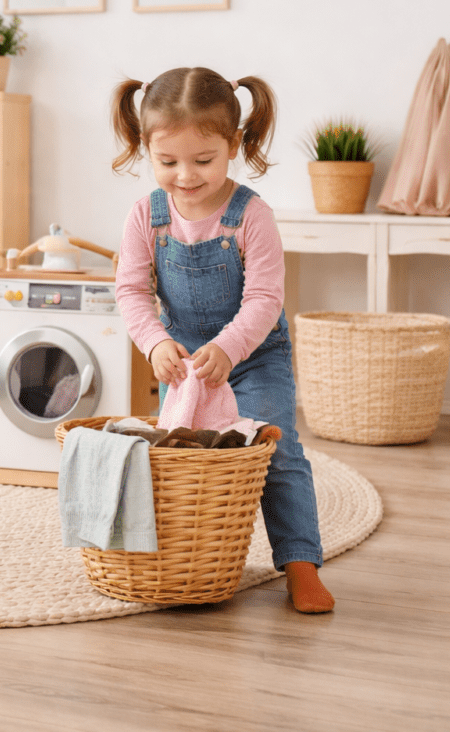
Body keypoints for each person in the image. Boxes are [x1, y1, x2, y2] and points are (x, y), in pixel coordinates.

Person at [111, 66, 335, 613]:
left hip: (254, 357)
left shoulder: (251, 216)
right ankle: (187, 560)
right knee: (182, 459)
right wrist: (155, 343)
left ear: (233, 145)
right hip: (184, 363)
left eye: (203, 161)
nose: (185, 176)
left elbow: (265, 299)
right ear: (146, 148)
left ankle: (300, 564)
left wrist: (230, 348)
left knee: (275, 452)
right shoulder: (146, 216)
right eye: (167, 162)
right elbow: (131, 292)